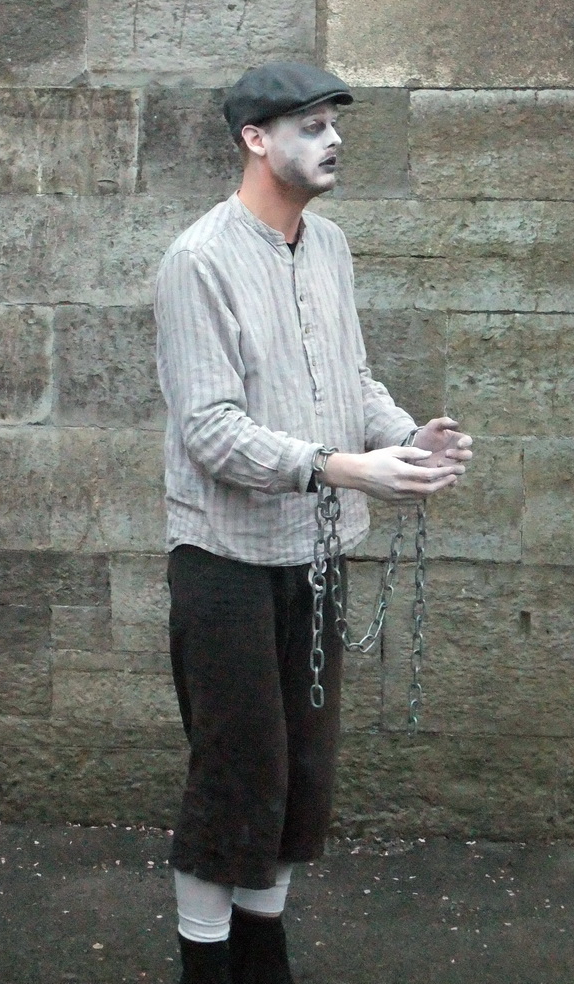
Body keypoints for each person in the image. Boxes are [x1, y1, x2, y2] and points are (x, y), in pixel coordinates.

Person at [154, 61, 473, 984]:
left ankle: (265, 961)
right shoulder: (197, 261)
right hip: (223, 562)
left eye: (336, 122)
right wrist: (341, 468)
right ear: (256, 139)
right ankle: (207, 971)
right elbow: (211, 431)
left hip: (319, 555)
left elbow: (350, 382)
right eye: (309, 125)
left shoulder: (328, 247)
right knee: (238, 778)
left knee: (303, 779)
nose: (333, 139)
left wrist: (408, 440)